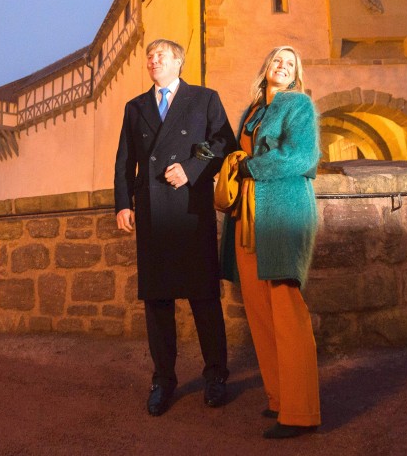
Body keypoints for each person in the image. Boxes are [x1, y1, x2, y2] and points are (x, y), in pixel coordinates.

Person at [114, 38, 236, 416]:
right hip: (152, 210)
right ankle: (163, 380)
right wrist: (122, 203)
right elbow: (125, 161)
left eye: (160, 54)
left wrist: (190, 166)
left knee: (203, 298)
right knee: (157, 301)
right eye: (149, 56)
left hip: (190, 209)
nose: (153, 59)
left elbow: (222, 144)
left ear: (178, 62)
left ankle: (216, 375)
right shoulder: (135, 107)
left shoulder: (204, 99)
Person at [217, 45, 321, 439]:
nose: (282, 66)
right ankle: (279, 398)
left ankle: (301, 412)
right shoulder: (252, 111)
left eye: (290, 63)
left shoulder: (299, 105)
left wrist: (250, 165)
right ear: (266, 67)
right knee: (259, 311)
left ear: (296, 74)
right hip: (247, 218)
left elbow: (302, 157)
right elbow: (238, 152)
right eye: (277, 59)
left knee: (286, 307)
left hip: (282, 211)